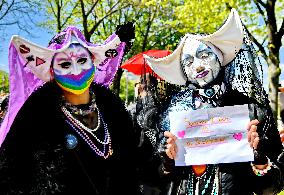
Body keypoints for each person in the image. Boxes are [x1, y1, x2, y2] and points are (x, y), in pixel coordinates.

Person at [0, 24, 156, 195]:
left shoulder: (114, 111)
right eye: (65, 64)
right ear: (52, 71)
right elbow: (14, 176)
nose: (76, 70)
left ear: (93, 63)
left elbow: (135, 166)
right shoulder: (35, 117)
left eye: (82, 60)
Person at [144, 9, 284, 194]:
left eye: (204, 55)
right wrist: (167, 163)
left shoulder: (253, 112)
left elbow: (272, 188)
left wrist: (260, 161)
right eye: (188, 62)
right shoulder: (172, 117)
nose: (198, 66)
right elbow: (152, 185)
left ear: (219, 57)